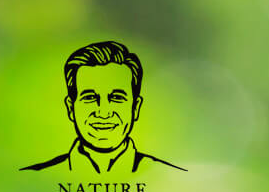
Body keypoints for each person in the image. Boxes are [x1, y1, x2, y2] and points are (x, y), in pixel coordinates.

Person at [22, 41, 183, 174]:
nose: (103, 112)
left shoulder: (176, 180)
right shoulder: (31, 179)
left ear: (135, 108)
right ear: (70, 108)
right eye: (90, 98)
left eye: (117, 98)